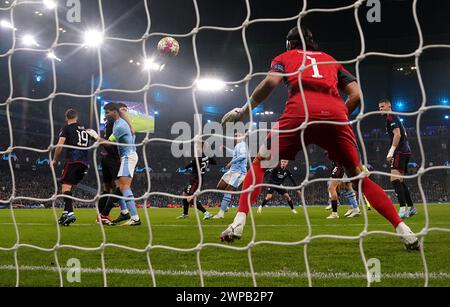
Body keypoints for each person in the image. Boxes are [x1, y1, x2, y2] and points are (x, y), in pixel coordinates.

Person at [219, 26, 420, 251]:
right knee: (358, 178)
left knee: (260, 163)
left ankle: (238, 223)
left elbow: (270, 83)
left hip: (299, 112)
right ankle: (405, 231)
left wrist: (244, 111)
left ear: (289, 44)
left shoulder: (285, 56)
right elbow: (356, 95)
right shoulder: (330, 60)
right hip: (335, 115)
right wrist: (337, 121)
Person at [87, 102, 141, 226]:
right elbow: (121, 112)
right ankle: (128, 214)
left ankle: (134, 218)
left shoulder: (119, 126)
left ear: (114, 112)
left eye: (107, 112)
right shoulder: (119, 123)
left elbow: (108, 143)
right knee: (121, 187)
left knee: (124, 187)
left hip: (128, 157)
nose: (105, 115)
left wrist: (95, 136)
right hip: (126, 157)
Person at [378, 99, 417, 218]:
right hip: (405, 150)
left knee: (394, 179)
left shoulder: (391, 117)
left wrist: (391, 151)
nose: (380, 109)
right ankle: (411, 207)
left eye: (382, 106)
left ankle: (402, 208)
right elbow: (404, 134)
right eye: (379, 107)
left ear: (389, 106)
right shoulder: (394, 117)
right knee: (399, 180)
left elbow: (398, 134)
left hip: (400, 151)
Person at [52, 109, 89, 226]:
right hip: (84, 163)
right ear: (77, 117)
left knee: (65, 187)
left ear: (66, 117)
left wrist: (55, 160)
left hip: (73, 160)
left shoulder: (66, 128)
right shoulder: (85, 129)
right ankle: (65, 213)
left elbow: (59, 145)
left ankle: (70, 213)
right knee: (71, 187)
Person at [177, 141, 216, 220]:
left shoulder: (197, 158)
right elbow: (214, 162)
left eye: (198, 146)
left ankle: (206, 213)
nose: (196, 148)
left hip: (195, 180)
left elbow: (187, 166)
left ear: (201, 148)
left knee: (189, 198)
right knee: (184, 193)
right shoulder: (206, 156)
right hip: (199, 179)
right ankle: (185, 214)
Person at [213, 132, 248, 219]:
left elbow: (243, 156)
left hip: (239, 173)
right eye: (235, 136)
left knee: (228, 191)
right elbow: (234, 154)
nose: (236, 137)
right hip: (232, 171)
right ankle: (225, 206)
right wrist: (225, 148)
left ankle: (221, 213)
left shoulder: (243, 145)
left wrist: (231, 162)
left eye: (239, 135)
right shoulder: (237, 146)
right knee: (219, 188)